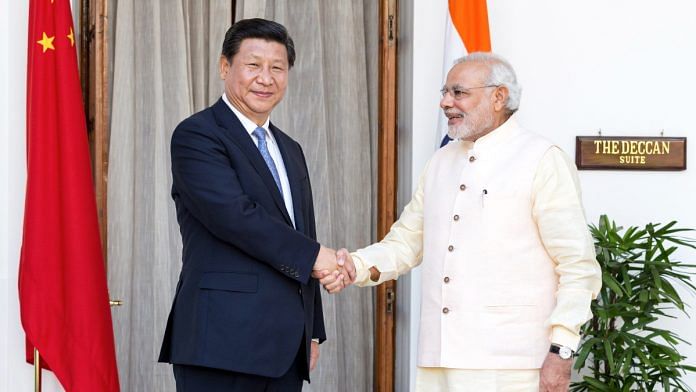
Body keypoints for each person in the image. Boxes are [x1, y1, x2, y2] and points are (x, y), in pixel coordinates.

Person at [323, 52, 602, 391]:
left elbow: (578, 266)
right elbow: (407, 241)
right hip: (439, 359)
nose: (445, 102)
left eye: (458, 92)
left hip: (511, 364)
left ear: (498, 97)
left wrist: (562, 348)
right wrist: (355, 265)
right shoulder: (441, 160)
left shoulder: (541, 159)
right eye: (444, 92)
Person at [158, 18, 354, 392]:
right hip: (219, 343)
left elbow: (302, 232)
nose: (266, 78)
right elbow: (234, 216)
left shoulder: (290, 149)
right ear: (224, 66)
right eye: (253, 65)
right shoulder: (197, 134)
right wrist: (319, 257)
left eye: (277, 68)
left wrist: (312, 331)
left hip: (285, 346)